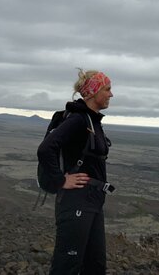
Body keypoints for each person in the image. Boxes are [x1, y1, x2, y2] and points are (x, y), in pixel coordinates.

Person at [37, 68, 114, 274]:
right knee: (67, 266)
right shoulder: (79, 120)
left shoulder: (92, 121)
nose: (111, 94)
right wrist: (60, 180)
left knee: (95, 266)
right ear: (93, 92)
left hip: (93, 201)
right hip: (76, 201)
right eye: (107, 89)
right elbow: (46, 149)